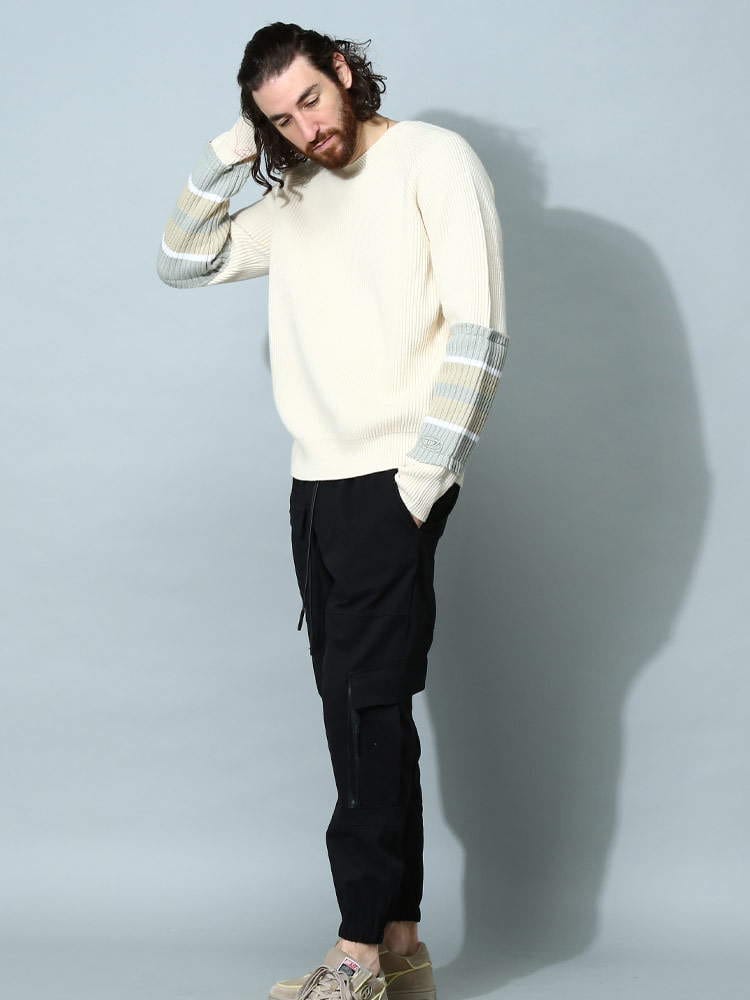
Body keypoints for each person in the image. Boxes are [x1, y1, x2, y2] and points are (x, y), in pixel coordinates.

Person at [156, 20, 509, 1000]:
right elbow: (181, 260)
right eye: (280, 119)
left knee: (364, 709)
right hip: (314, 486)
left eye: (311, 99)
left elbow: (479, 329)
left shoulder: (434, 160)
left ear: (344, 72)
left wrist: (420, 483)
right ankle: (399, 946)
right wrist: (232, 148)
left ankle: (352, 956)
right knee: (361, 711)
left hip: (394, 477)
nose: (306, 128)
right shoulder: (297, 197)